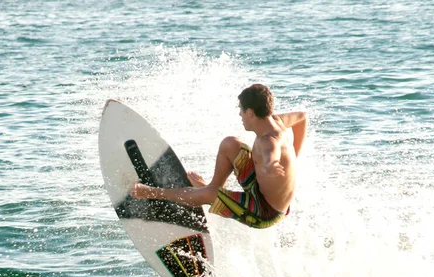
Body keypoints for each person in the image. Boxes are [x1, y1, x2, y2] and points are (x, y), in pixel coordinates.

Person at [131, 83, 307, 229]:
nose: (240, 114)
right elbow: (302, 118)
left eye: (241, 110)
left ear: (251, 113)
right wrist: (295, 156)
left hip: (264, 212)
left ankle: (153, 192)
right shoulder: (277, 121)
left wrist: (271, 165)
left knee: (212, 194)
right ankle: (209, 189)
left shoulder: (269, 141)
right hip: (260, 190)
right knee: (230, 144)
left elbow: (271, 154)